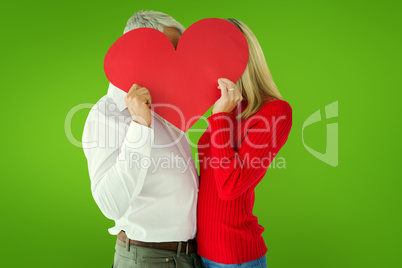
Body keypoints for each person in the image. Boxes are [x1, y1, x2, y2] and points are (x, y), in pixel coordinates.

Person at [82, 10, 201, 268]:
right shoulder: (107, 115)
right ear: (141, 50)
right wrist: (139, 126)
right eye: (172, 53)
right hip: (149, 259)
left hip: (188, 257)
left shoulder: (168, 110)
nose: (181, 64)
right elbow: (111, 204)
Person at [196, 18, 293, 268]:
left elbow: (230, 186)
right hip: (200, 251)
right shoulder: (230, 107)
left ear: (243, 58)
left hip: (234, 257)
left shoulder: (274, 111)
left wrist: (219, 118)